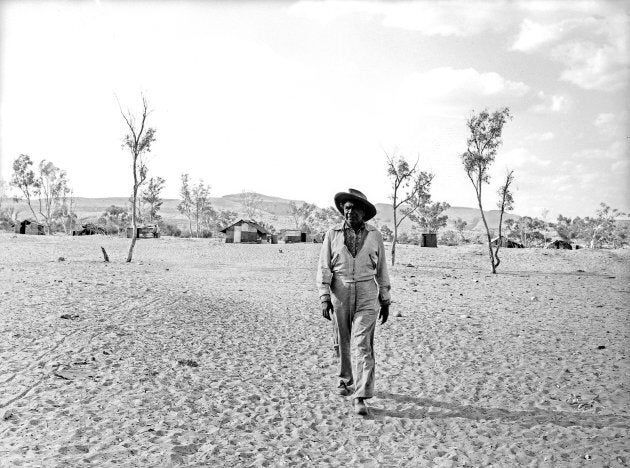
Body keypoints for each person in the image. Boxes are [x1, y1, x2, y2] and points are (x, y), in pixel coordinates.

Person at [316, 188, 391, 416]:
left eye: (353, 208)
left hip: (368, 292)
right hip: (340, 290)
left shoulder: (375, 236)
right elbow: (324, 266)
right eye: (346, 208)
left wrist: (385, 299)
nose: (349, 212)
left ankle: (361, 395)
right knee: (342, 339)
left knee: (363, 345)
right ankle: (345, 380)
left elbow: (382, 269)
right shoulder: (332, 234)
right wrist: (324, 296)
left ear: (363, 212)